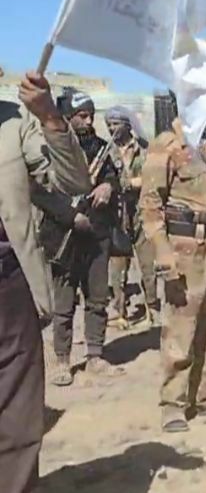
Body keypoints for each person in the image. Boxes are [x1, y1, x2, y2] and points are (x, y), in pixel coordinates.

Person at [1, 73, 93, 493]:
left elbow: (72, 181)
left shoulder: (15, 124)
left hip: (9, 293)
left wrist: (51, 118)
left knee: (17, 430)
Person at [140, 94, 206, 432]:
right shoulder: (166, 145)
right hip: (186, 247)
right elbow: (150, 204)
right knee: (181, 328)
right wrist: (163, 252)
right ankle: (173, 403)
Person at [32, 90, 125, 386]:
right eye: (82, 115)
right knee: (64, 303)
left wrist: (108, 186)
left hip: (97, 233)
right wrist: (70, 216)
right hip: (64, 235)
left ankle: (95, 354)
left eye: (91, 115)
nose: (88, 121)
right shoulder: (48, 148)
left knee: (97, 298)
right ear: (68, 117)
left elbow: (113, 177)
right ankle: (62, 360)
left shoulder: (101, 148)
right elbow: (38, 191)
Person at [104, 106, 160, 333]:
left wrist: (133, 183)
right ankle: (119, 312)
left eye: (116, 124)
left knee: (148, 267)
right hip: (117, 216)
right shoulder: (106, 151)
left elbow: (152, 177)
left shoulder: (144, 149)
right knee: (117, 269)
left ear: (127, 125)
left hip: (141, 214)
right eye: (109, 124)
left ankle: (152, 310)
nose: (112, 128)